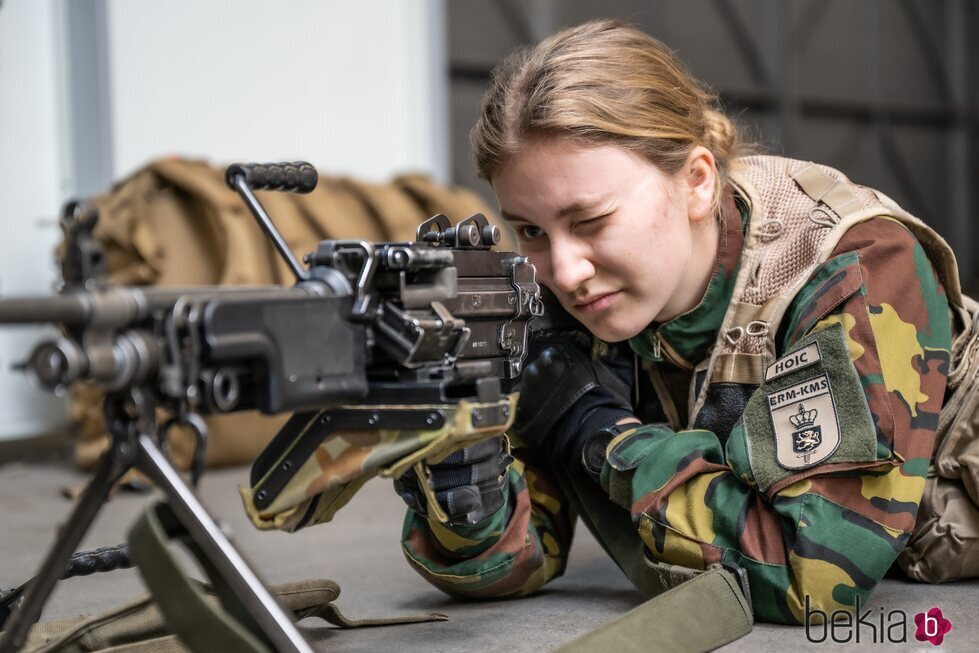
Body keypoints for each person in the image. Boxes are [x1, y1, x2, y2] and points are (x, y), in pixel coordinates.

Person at [393, 19, 960, 625]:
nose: (563, 269)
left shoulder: (851, 266)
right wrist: (466, 481)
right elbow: (520, 555)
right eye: (531, 230)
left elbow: (813, 577)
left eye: (589, 221)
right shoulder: (572, 301)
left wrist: (599, 436)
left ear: (696, 182)